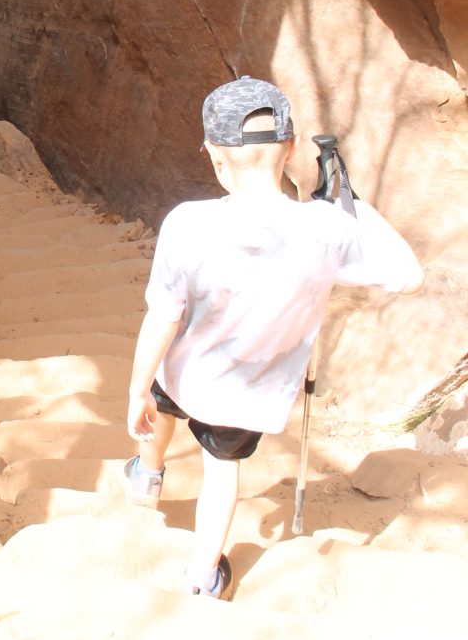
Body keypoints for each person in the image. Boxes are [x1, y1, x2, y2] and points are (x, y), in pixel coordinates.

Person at [124, 75, 423, 601]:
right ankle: (202, 575)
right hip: (247, 394)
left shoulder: (186, 224)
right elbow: (408, 273)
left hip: (181, 369)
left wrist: (136, 388)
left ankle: (147, 478)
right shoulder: (327, 230)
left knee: (161, 414)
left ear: (214, 156)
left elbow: (163, 316)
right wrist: (352, 206)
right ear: (289, 149)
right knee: (222, 472)